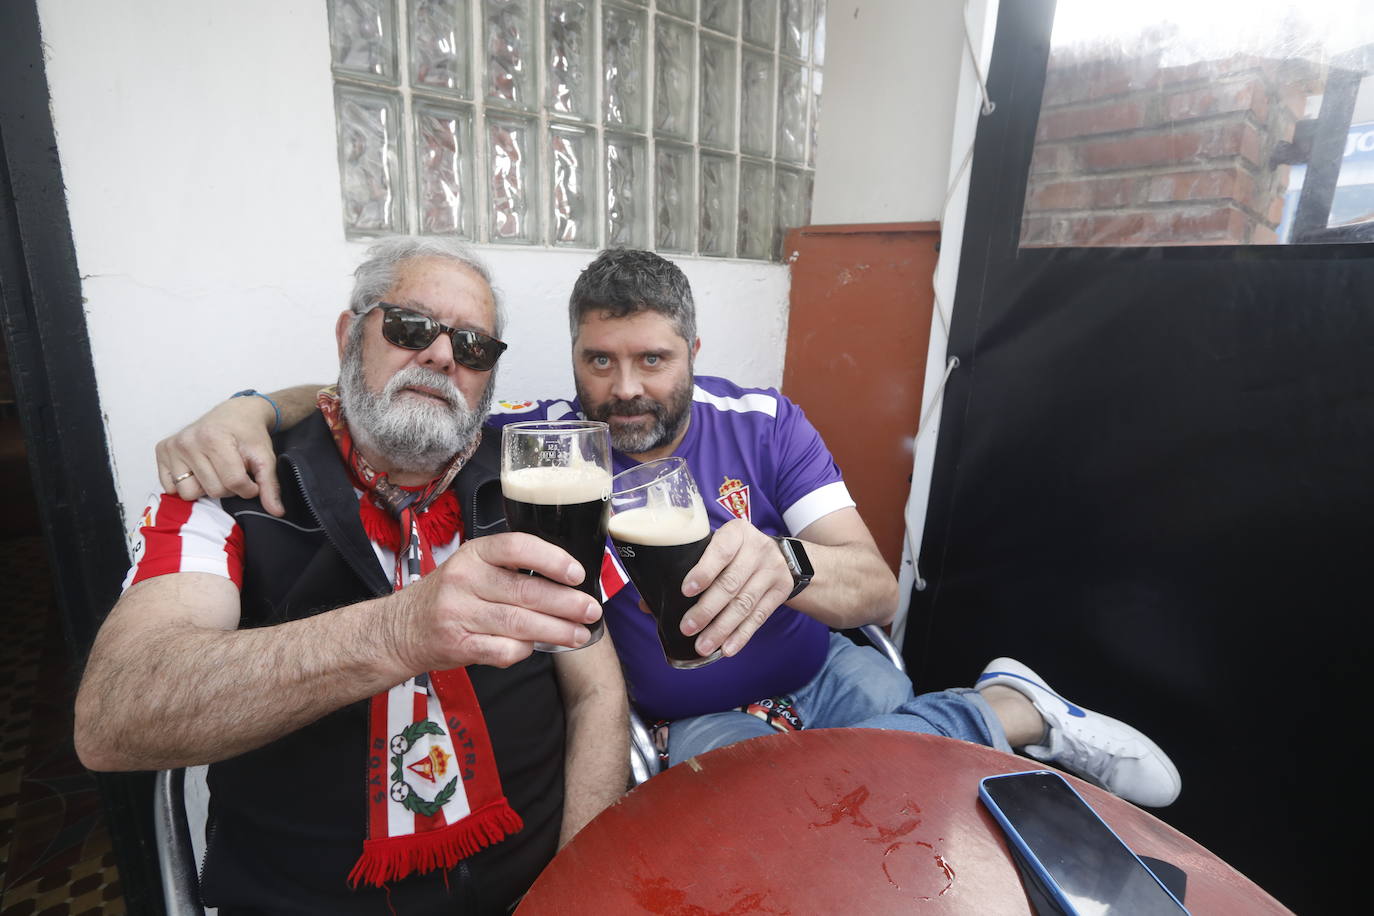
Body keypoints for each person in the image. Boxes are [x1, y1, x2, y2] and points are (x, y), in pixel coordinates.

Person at [154, 247, 1182, 809]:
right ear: (571, 358)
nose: (625, 388)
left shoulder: (765, 420)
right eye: (599, 360)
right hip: (689, 715)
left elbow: (873, 587)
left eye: (651, 359)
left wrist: (784, 563)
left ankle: (998, 712)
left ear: (693, 347)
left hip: (822, 664)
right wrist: (254, 404)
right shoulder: (538, 441)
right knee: (791, 809)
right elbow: (407, 396)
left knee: (903, 782)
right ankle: (1006, 710)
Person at [75, 237, 629, 915]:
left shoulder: (532, 478)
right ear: (349, 334)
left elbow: (595, 689)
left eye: (474, 346)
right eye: (410, 327)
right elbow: (114, 715)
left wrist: (578, 883)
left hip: (538, 884)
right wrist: (400, 632)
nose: (442, 354)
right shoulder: (232, 484)